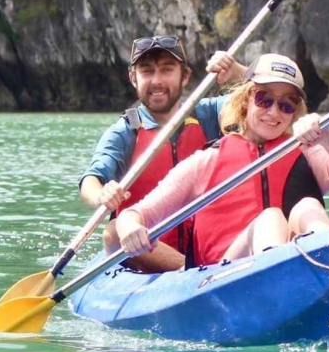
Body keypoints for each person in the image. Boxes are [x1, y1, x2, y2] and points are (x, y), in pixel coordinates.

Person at [113, 54, 329, 266]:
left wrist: (326, 135)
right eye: (264, 99)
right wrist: (129, 228)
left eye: (287, 105)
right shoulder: (207, 161)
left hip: (290, 265)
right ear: (246, 100)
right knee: (271, 218)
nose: (274, 112)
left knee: (307, 206)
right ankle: (278, 280)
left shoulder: (304, 152)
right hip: (222, 276)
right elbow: (137, 214)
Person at [79, 35, 242, 272]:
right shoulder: (125, 132)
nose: (157, 81)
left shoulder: (210, 114)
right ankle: (189, 271)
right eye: (147, 72)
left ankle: (206, 269)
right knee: (114, 232)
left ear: (184, 76)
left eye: (167, 70)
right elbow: (91, 180)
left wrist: (237, 71)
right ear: (133, 78)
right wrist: (101, 194)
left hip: (210, 245)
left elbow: (269, 98)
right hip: (149, 250)